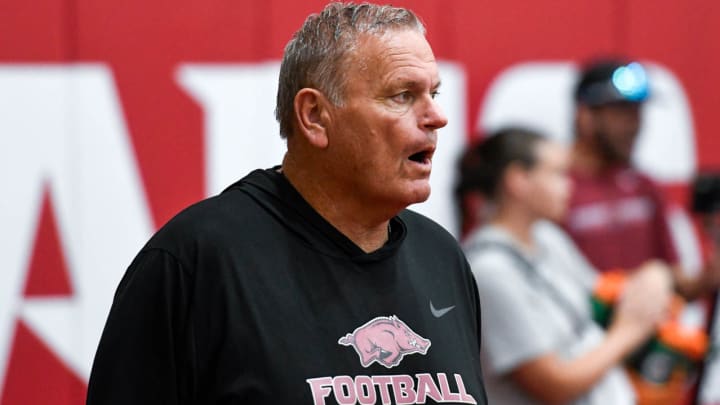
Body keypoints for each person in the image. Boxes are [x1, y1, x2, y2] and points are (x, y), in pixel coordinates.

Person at [86, 3, 487, 404]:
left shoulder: (441, 258)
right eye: (402, 95)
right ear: (314, 116)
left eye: (433, 93)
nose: (437, 117)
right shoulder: (198, 261)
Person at [457, 127, 673, 404]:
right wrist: (630, 331)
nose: (569, 186)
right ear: (518, 180)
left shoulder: (548, 236)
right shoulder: (488, 270)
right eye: (558, 174)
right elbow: (555, 384)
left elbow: (601, 296)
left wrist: (650, 278)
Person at [565, 58, 720, 301]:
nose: (634, 125)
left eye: (638, 113)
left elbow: (675, 282)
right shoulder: (553, 190)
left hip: (648, 334)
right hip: (584, 335)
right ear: (585, 115)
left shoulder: (645, 187)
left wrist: (706, 279)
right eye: (621, 113)